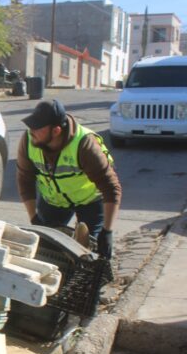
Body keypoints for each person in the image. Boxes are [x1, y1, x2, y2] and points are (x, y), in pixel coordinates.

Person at [16, 99, 121, 258]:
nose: (31, 131)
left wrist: (107, 232)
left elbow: (111, 188)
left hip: (90, 201)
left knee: (89, 253)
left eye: (38, 128)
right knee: (47, 248)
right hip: (53, 201)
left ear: (56, 131)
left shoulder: (84, 145)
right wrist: (34, 218)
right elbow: (25, 181)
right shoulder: (29, 141)